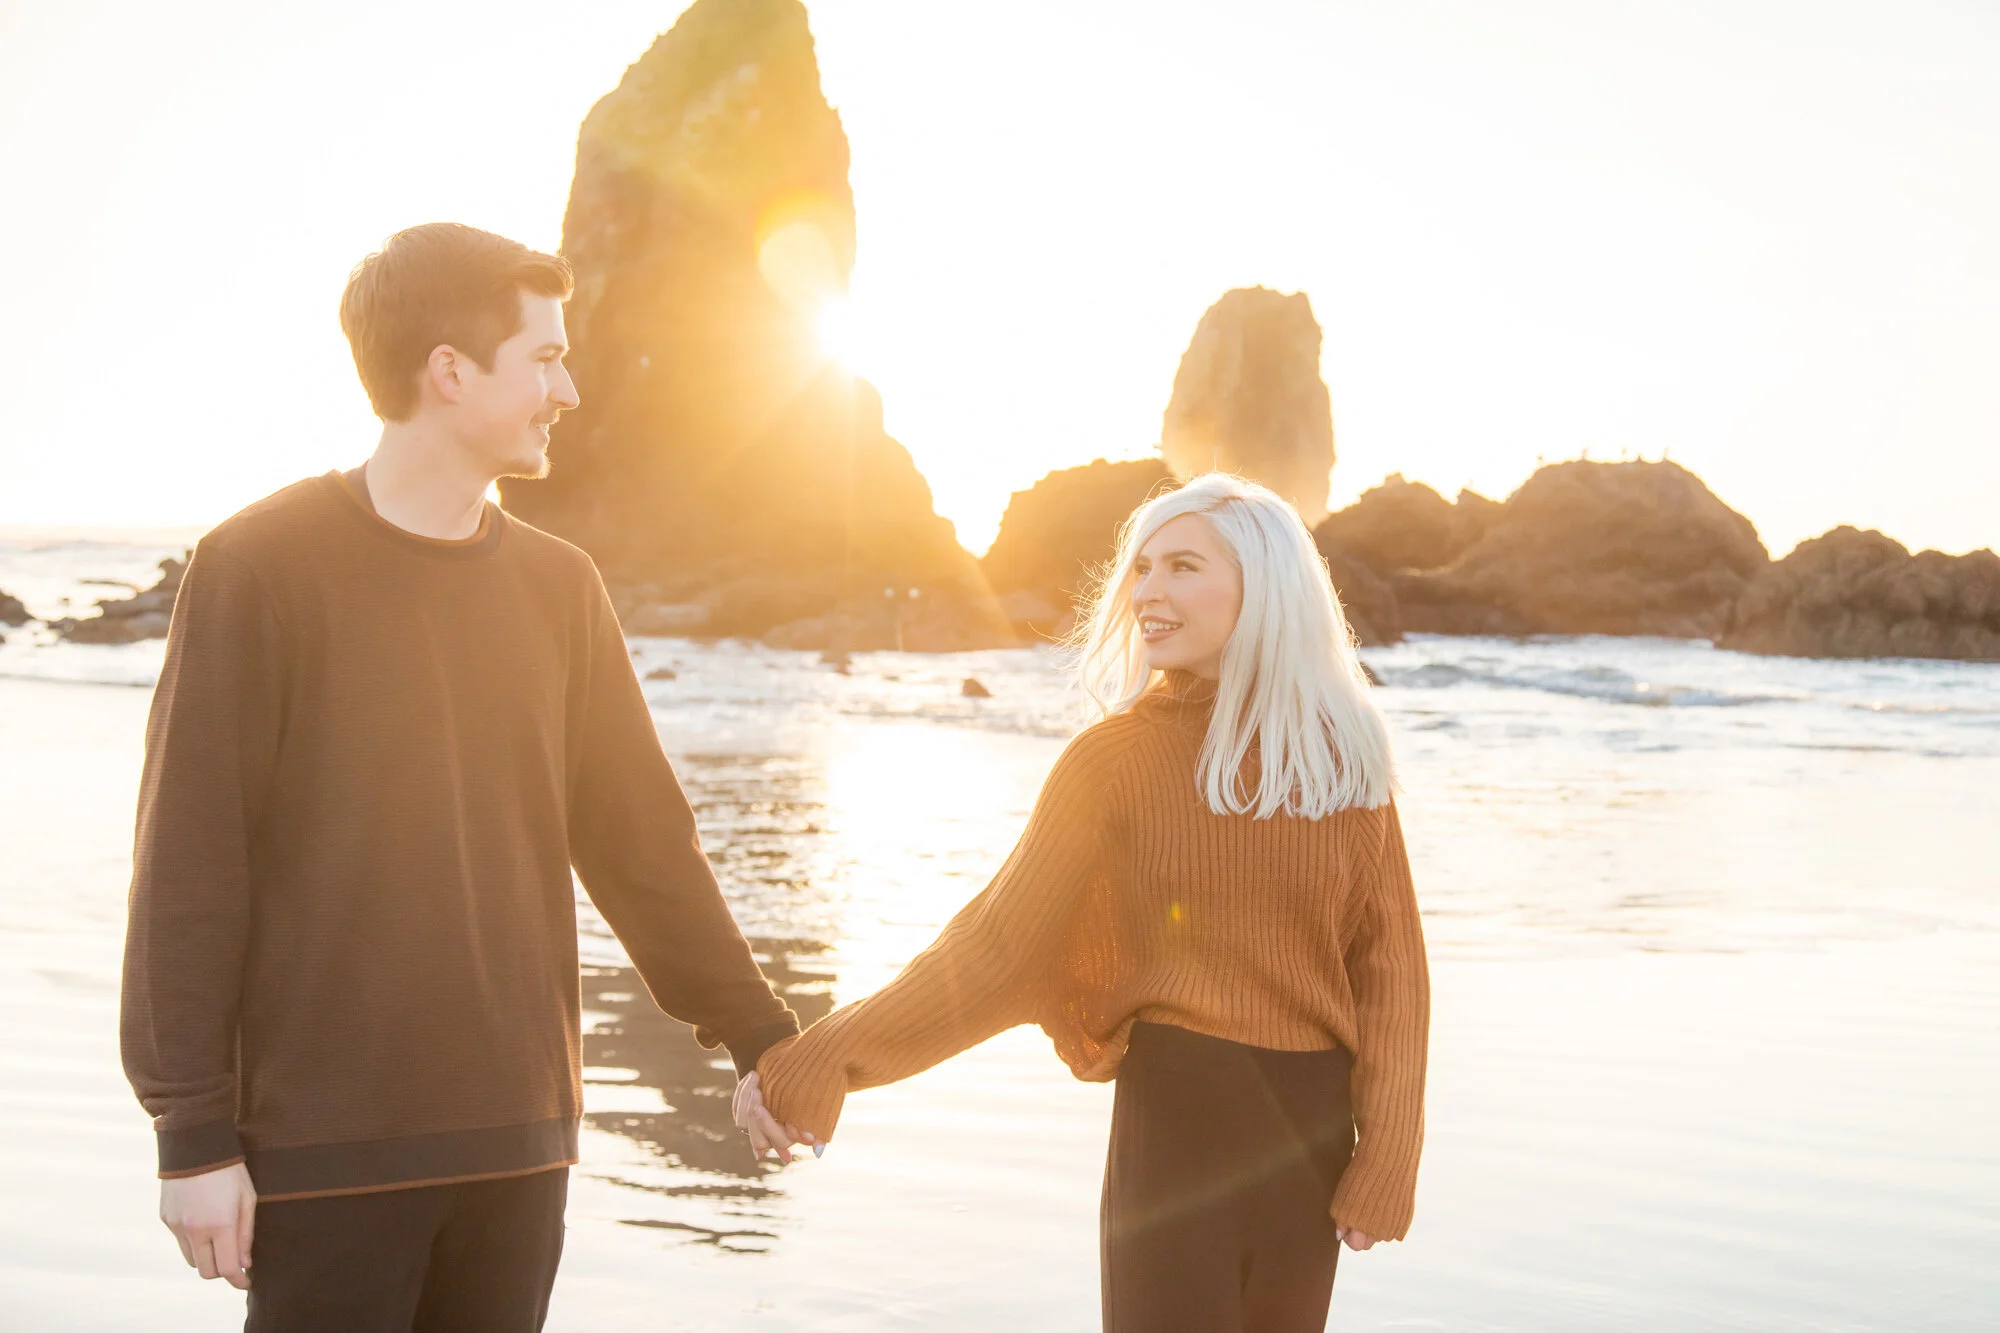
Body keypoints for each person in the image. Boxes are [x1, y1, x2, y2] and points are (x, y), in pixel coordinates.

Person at [120, 222, 799, 1332]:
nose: (567, 389)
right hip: (324, 1149)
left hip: (518, 1145)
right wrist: (190, 1131)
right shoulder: (259, 566)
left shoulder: (558, 587)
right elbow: (192, 860)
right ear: (448, 372)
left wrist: (758, 1031)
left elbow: (638, 843)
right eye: (542, 358)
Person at [736, 473, 1429, 1331]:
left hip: (1310, 1136)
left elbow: (1391, 969)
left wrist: (1390, 1150)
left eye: (1181, 566)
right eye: (1140, 568)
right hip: (1178, 1120)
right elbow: (992, 949)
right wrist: (826, 1056)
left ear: (1264, 584)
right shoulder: (1111, 762)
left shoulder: (1341, 757)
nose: (1148, 592)